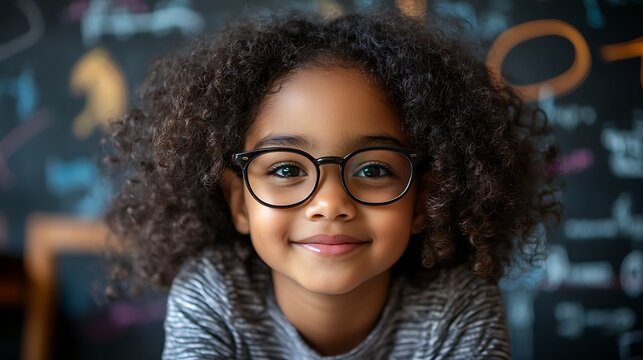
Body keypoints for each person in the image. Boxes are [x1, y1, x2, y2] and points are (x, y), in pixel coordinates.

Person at [104, 9, 561, 359]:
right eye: (285, 170)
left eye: (373, 169)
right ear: (239, 201)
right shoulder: (213, 295)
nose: (329, 203)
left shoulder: (458, 309)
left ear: (424, 199)